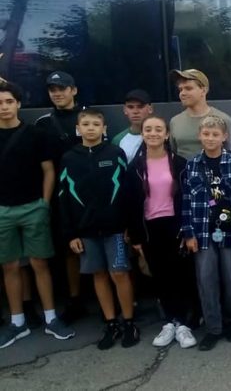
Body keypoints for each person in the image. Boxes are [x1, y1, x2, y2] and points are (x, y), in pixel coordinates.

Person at [0, 79, 75, 349]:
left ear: (19, 104)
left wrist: (44, 203)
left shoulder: (35, 134)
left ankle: (51, 318)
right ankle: (17, 322)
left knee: (40, 264)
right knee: (9, 266)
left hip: (34, 207)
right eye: (0, 103)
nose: (4, 107)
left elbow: (48, 171)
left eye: (9, 102)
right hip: (3, 211)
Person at [58, 108, 138, 350]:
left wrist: (130, 226)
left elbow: (128, 192)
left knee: (119, 273)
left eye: (95, 124)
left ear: (104, 129)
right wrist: (71, 234)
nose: (91, 128)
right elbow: (63, 198)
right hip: (86, 230)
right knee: (99, 274)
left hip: (116, 228)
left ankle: (129, 322)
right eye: (86, 124)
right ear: (78, 129)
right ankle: (111, 323)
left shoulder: (115, 153)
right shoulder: (68, 158)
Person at [126, 116, 197, 349]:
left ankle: (184, 324)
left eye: (158, 129)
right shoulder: (135, 167)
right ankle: (168, 322)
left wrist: (188, 229)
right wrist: (136, 236)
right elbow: (131, 203)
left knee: (180, 274)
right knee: (160, 275)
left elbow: (189, 198)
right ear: (143, 134)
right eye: (148, 129)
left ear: (166, 134)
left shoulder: (180, 163)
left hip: (175, 226)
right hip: (150, 228)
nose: (153, 133)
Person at [181, 115, 231, 351]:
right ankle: (213, 328)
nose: (210, 138)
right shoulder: (192, 165)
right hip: (201, 231)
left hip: (230, 231)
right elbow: (186, 201)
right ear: (199, 136)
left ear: (224, 137)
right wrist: (188, 233)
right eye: (206, 134)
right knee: (206, 279)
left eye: (215, 134)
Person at [35, 71, 86, 324]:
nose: (57, 94)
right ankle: (75, 300)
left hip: (89, 193)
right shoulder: (43, 123)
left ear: (73, 90)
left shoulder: (88, 117)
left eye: (62, 88)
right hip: (61, 194)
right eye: (52, 90)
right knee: (69, 250)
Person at [169, 69, 231, 160]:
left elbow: (230, 150)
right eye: (180, 89)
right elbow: (173, 151)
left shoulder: (223, 119)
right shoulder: (175, 121)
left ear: (203, 90)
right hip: (183, 168)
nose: (182, 93)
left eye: (188, 88)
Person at [112, 89, 153, 162]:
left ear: (150, 109)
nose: (135, 111)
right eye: (130, 107)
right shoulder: (118, 140)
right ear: (125, 110)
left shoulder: (161, 136)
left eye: (140, 106)